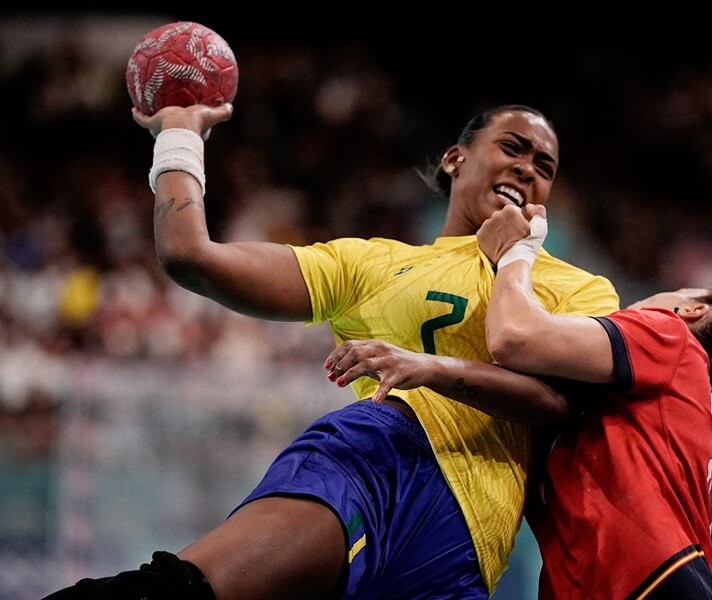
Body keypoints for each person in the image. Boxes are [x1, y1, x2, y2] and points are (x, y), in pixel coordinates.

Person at [43, 103, 619, 600]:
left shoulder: (581, 289)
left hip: (470, 545)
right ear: (455, 158)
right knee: (185, 592)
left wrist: (440, 361)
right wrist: (179, 132)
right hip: (378, 464)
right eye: (513, 148)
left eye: (545, 166)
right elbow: (190, 254)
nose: (527, 168)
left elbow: (566, 406)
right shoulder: (370, 265)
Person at [325, 204, 712, 599]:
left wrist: (516, 254)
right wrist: (430, 368)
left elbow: (513, 337)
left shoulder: (673, 340)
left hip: (656, 583)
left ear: (688, 308)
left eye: (672, 291)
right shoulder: (633, 406)